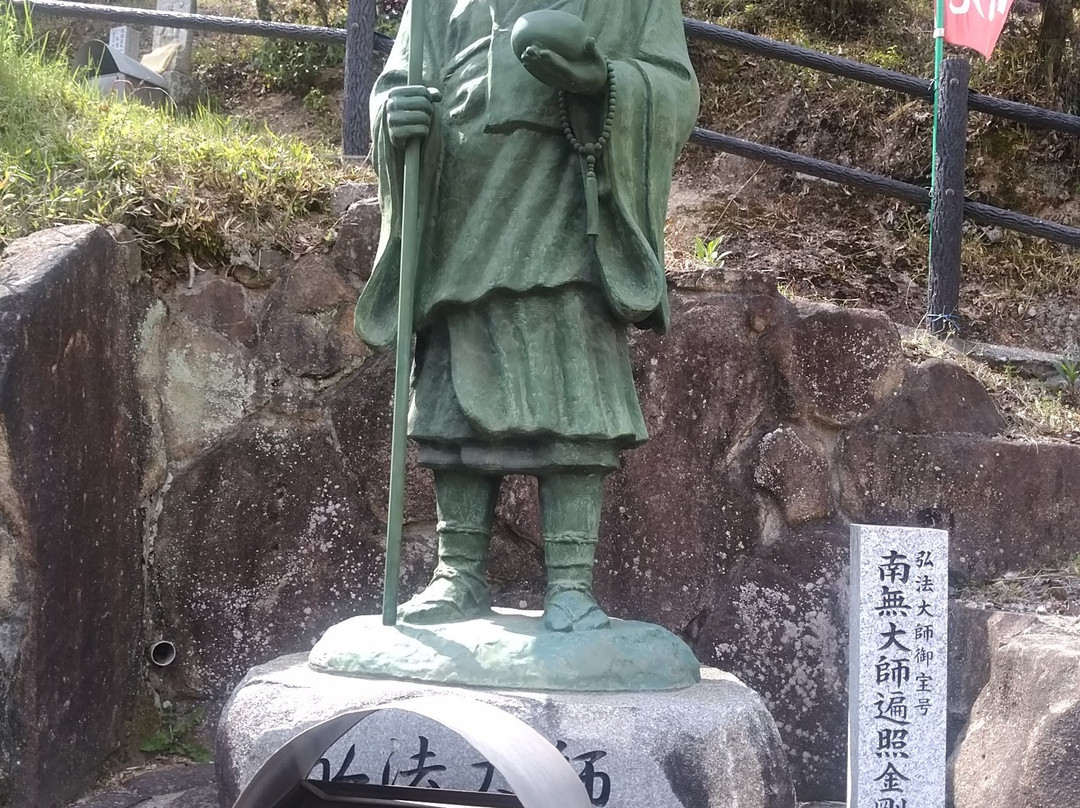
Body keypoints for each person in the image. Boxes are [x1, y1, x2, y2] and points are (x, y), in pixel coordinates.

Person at [355, 0, 699, 631]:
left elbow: (672, 89)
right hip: (461, 205)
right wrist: (394, 118)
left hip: (565, 206)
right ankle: (457, 571)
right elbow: (394, 85)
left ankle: (572, 586)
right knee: (450, 401)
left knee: (573, 402)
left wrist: (602, 83)